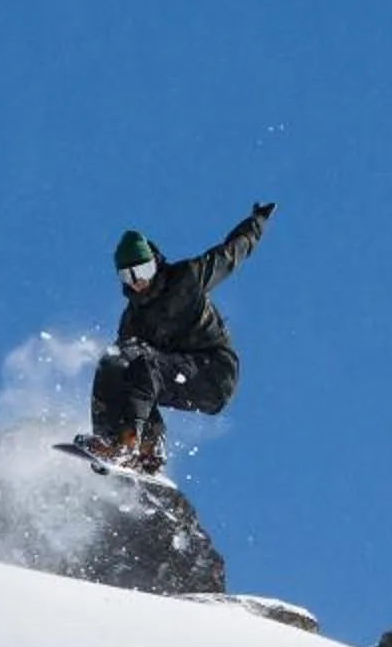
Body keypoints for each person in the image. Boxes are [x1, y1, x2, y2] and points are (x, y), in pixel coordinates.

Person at [75, 202, 276, 476]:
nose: (137, 282)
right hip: (171, 370)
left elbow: (232, 253)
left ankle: (130, 444)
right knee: (113, 363)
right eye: (128, 275)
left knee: (144, 364)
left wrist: (257, 222)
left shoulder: (187, 278)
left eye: (142, 271)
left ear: (154, 263)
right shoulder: (133, 318)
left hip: (213, 372)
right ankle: (126, 445)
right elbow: (124, 376)